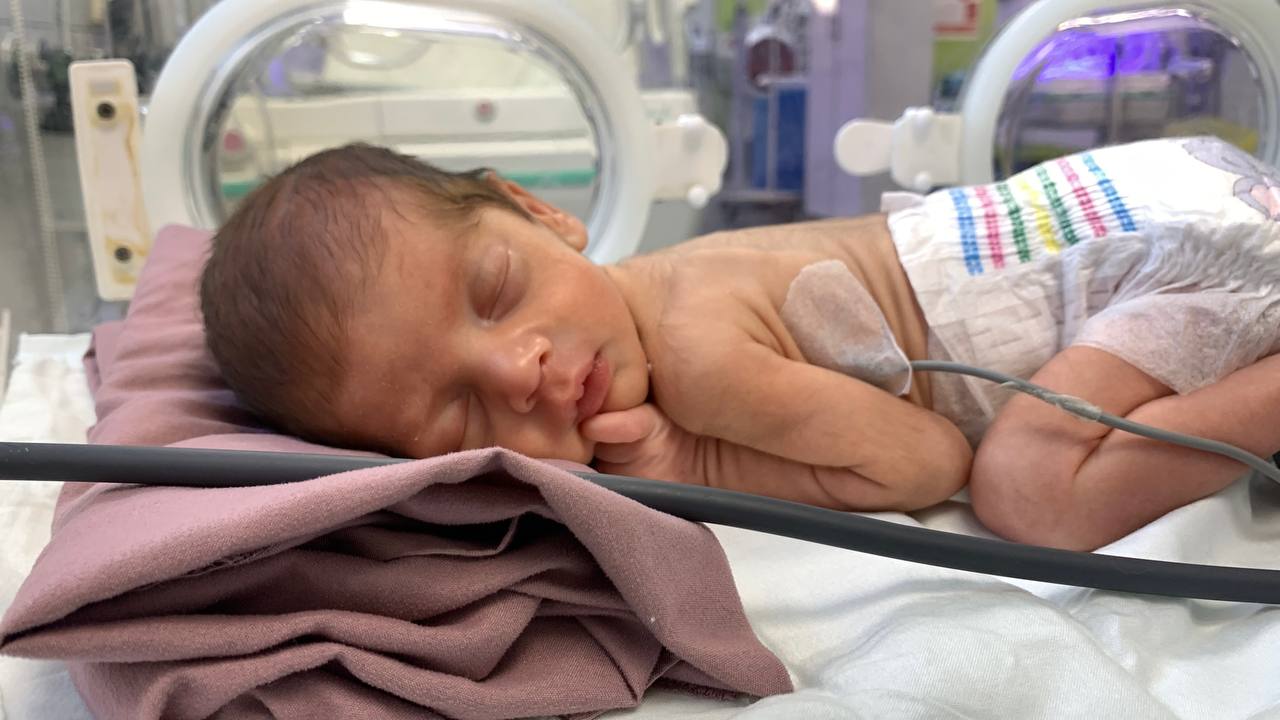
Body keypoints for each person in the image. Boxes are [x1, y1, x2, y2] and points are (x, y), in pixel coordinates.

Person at [200, 137, 1280, 551]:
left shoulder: (701, 355)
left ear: (538, 210)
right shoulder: (670, 282)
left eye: (494, 293)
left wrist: (693, 462)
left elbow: (923, 462)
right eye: (459, 413)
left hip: (1184, 252)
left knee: (1028, 491)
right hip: (1154, 183)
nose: (517, 370)